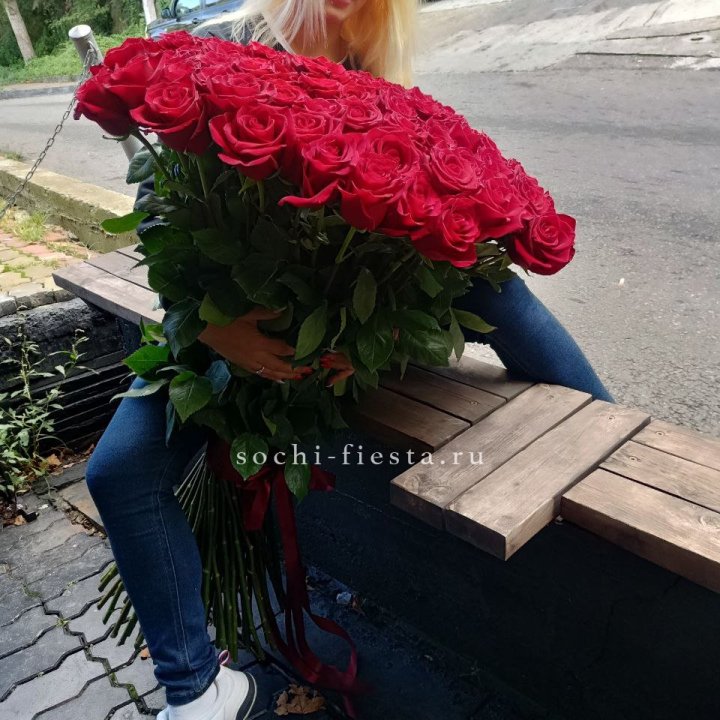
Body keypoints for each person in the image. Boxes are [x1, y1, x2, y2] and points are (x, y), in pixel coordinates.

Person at [86, 2, 614, 719]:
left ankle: (615, 443)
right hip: (225, 332)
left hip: (331, 338)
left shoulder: (374, 72)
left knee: (496, 286)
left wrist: (378, 342)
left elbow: (421, 261)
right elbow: (159, 215)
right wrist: (213, 327)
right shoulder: (218, 48)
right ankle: (196, 690)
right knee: (118, 470)